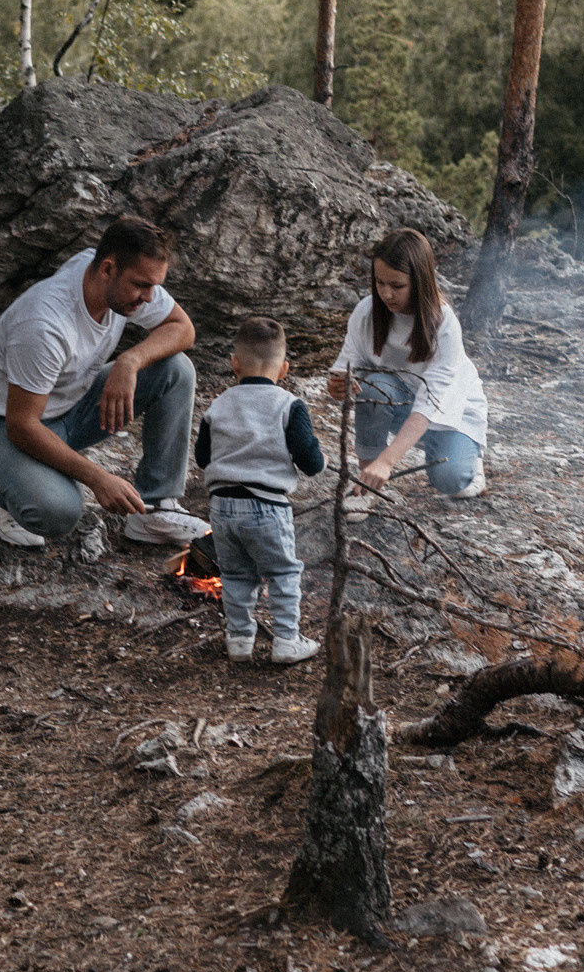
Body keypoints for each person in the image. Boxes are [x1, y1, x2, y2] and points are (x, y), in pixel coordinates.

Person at [0, 213, 209, 550]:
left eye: (155, 285)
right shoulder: (44, 325)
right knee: (58, 513)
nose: (150, 297)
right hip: (4, 423)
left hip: (69, 405)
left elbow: (183, 329)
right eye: (141, 285)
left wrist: (129, 361)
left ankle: (154, 509)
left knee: (175, 369)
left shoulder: (107, 276)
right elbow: (21, 425)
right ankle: (10, 491)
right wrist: (97, 478)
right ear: (108, 269)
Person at [195, 316, 325, 665]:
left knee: (236, 574)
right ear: (284, 369)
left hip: (221, 506)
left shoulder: (218, 404)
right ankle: (286, 639)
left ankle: (239, 639)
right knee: (282, 572)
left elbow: (202, 457)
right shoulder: (289, 405)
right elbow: (309, 460)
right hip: (266, 506)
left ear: (234, 363)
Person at [328, 227, 488, 498]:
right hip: (400, 403)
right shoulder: (366, 313)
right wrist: (337, 386)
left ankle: (469, 457)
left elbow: (431, 402)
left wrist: (388, 462)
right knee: (371, 385)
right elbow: (345, 367)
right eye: (380, 283)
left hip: (450, 411)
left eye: (397, 286)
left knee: (452, 482)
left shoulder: (444, 324)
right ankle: (365, 485)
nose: (386, 294)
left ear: (420, 281)